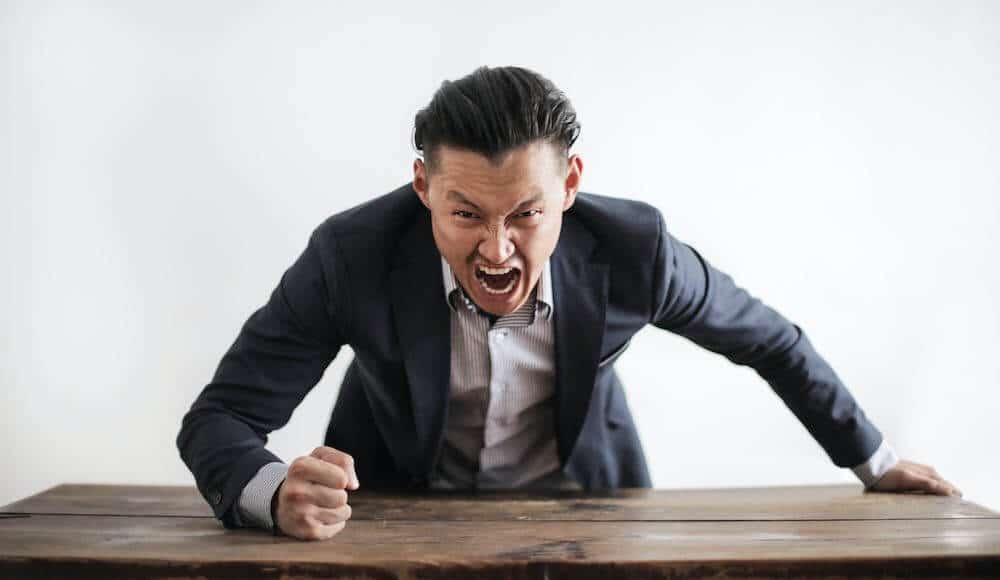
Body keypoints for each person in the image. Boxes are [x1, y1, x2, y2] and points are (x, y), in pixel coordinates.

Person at [177, 65, 962, 541]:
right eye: (464, 214)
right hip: (391, 515)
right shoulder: (350, 258)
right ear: (423, 188)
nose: (496, 250)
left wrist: (875, 460)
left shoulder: (636, 253)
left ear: (571, 187)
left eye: (526, 214)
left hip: (586, 513)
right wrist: (273, 492)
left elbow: (770, 341)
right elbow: (218, 421)